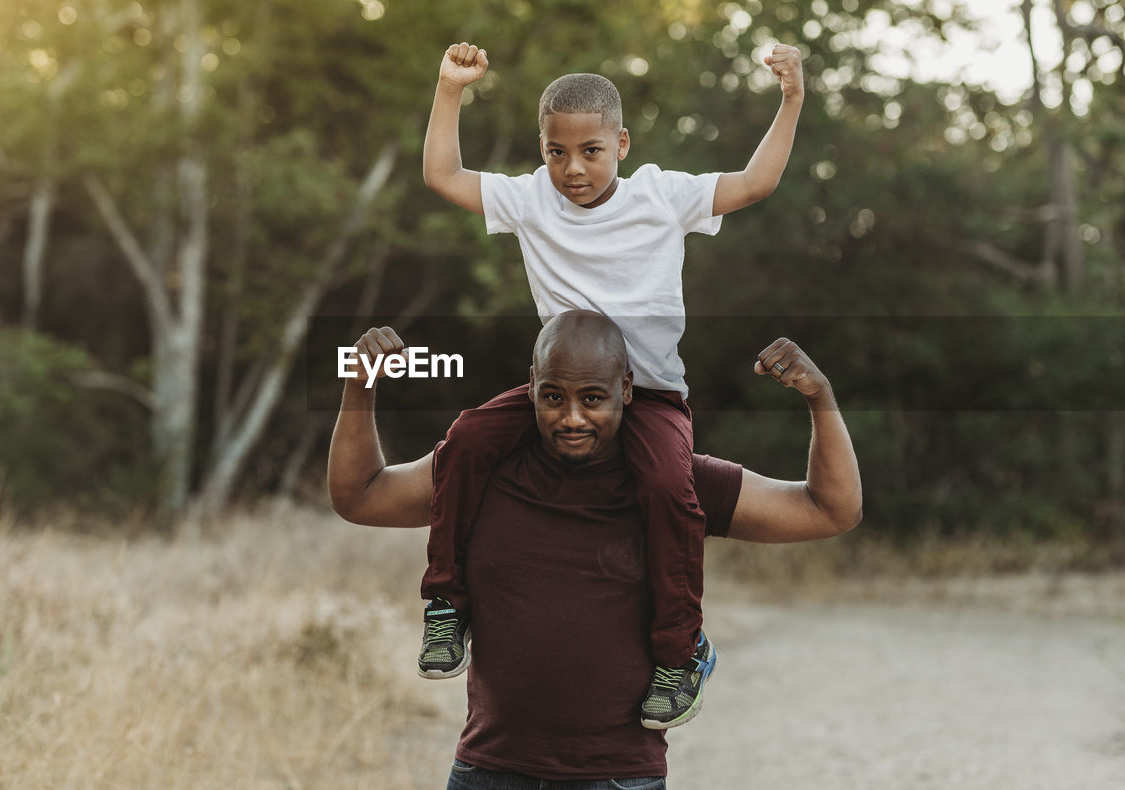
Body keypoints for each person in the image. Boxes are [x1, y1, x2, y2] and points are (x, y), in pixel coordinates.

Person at [418, 39, 806, 729]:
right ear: (542, 149)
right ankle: (447, 604)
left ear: (620, 143)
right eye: (556, 152)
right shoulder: (530, 199)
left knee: (666, 486)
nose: (572, 169)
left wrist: (791, 97)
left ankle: (679, 651)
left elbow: (754, 183)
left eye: (591, 151)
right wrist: (450, 89)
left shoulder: (663, 195)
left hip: (650, 393)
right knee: (469, 438)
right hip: (558, 390)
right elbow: (444, 176)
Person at [327, 313, 861, 788]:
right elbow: (361, 495)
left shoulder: (674, 483)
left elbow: (829, 510)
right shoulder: (481, 470)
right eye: (554, 397)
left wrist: (821, 398)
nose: (572, 418)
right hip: (487, 770)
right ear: (531, 387)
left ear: (626, 390)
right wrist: (359, 385)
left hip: (617, 777)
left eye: (593, 398)